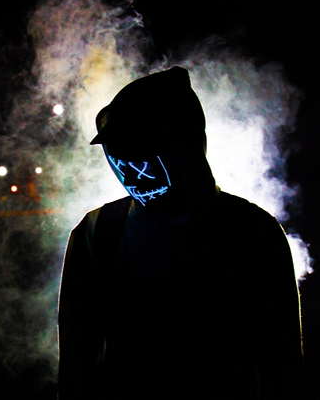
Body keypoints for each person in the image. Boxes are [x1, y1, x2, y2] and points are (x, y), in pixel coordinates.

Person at [57, 66, 305, 399]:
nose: (129, 175)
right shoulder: (97, 232)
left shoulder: (254, 232)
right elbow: (76, 366)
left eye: (140, 157)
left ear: (183, 148)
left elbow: (282, 364)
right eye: (118, 158)